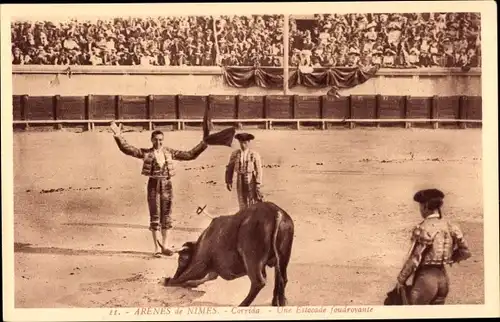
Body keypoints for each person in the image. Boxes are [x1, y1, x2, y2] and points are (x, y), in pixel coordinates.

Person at [110, 120, 235, 258]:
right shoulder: (146, 153)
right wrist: (118, 136)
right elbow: (128, 149)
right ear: (152, 140)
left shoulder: (169, 152)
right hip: (153, 185)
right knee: (155, 216)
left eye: (161, 140)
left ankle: (166, 245)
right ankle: (157, 248)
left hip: (167, 185)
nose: (159, 143)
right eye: (156, 140)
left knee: (167, 216)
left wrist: (204, 144)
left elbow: (190, 155)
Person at [395, 188, 472, 305]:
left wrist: (401, 280)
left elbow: (415, 258)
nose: (420, 209)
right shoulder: (450, 226)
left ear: (425, 206)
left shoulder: (423, 228)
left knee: (415, 314)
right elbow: (465, 252)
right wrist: (450, 257)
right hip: (443, 279)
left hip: (426, 280)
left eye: (420, 206)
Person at [225, 133, 263, 210]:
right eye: (241, 142)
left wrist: (258, 183)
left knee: (251, 198)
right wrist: (229, 181)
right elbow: (230, 168)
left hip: (250, 179)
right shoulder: (235, 154)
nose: (242, 145)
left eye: (245, 143)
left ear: (249, 142)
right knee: (241, 199)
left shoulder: (254, 154)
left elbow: (259, 170)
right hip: (239, 179)